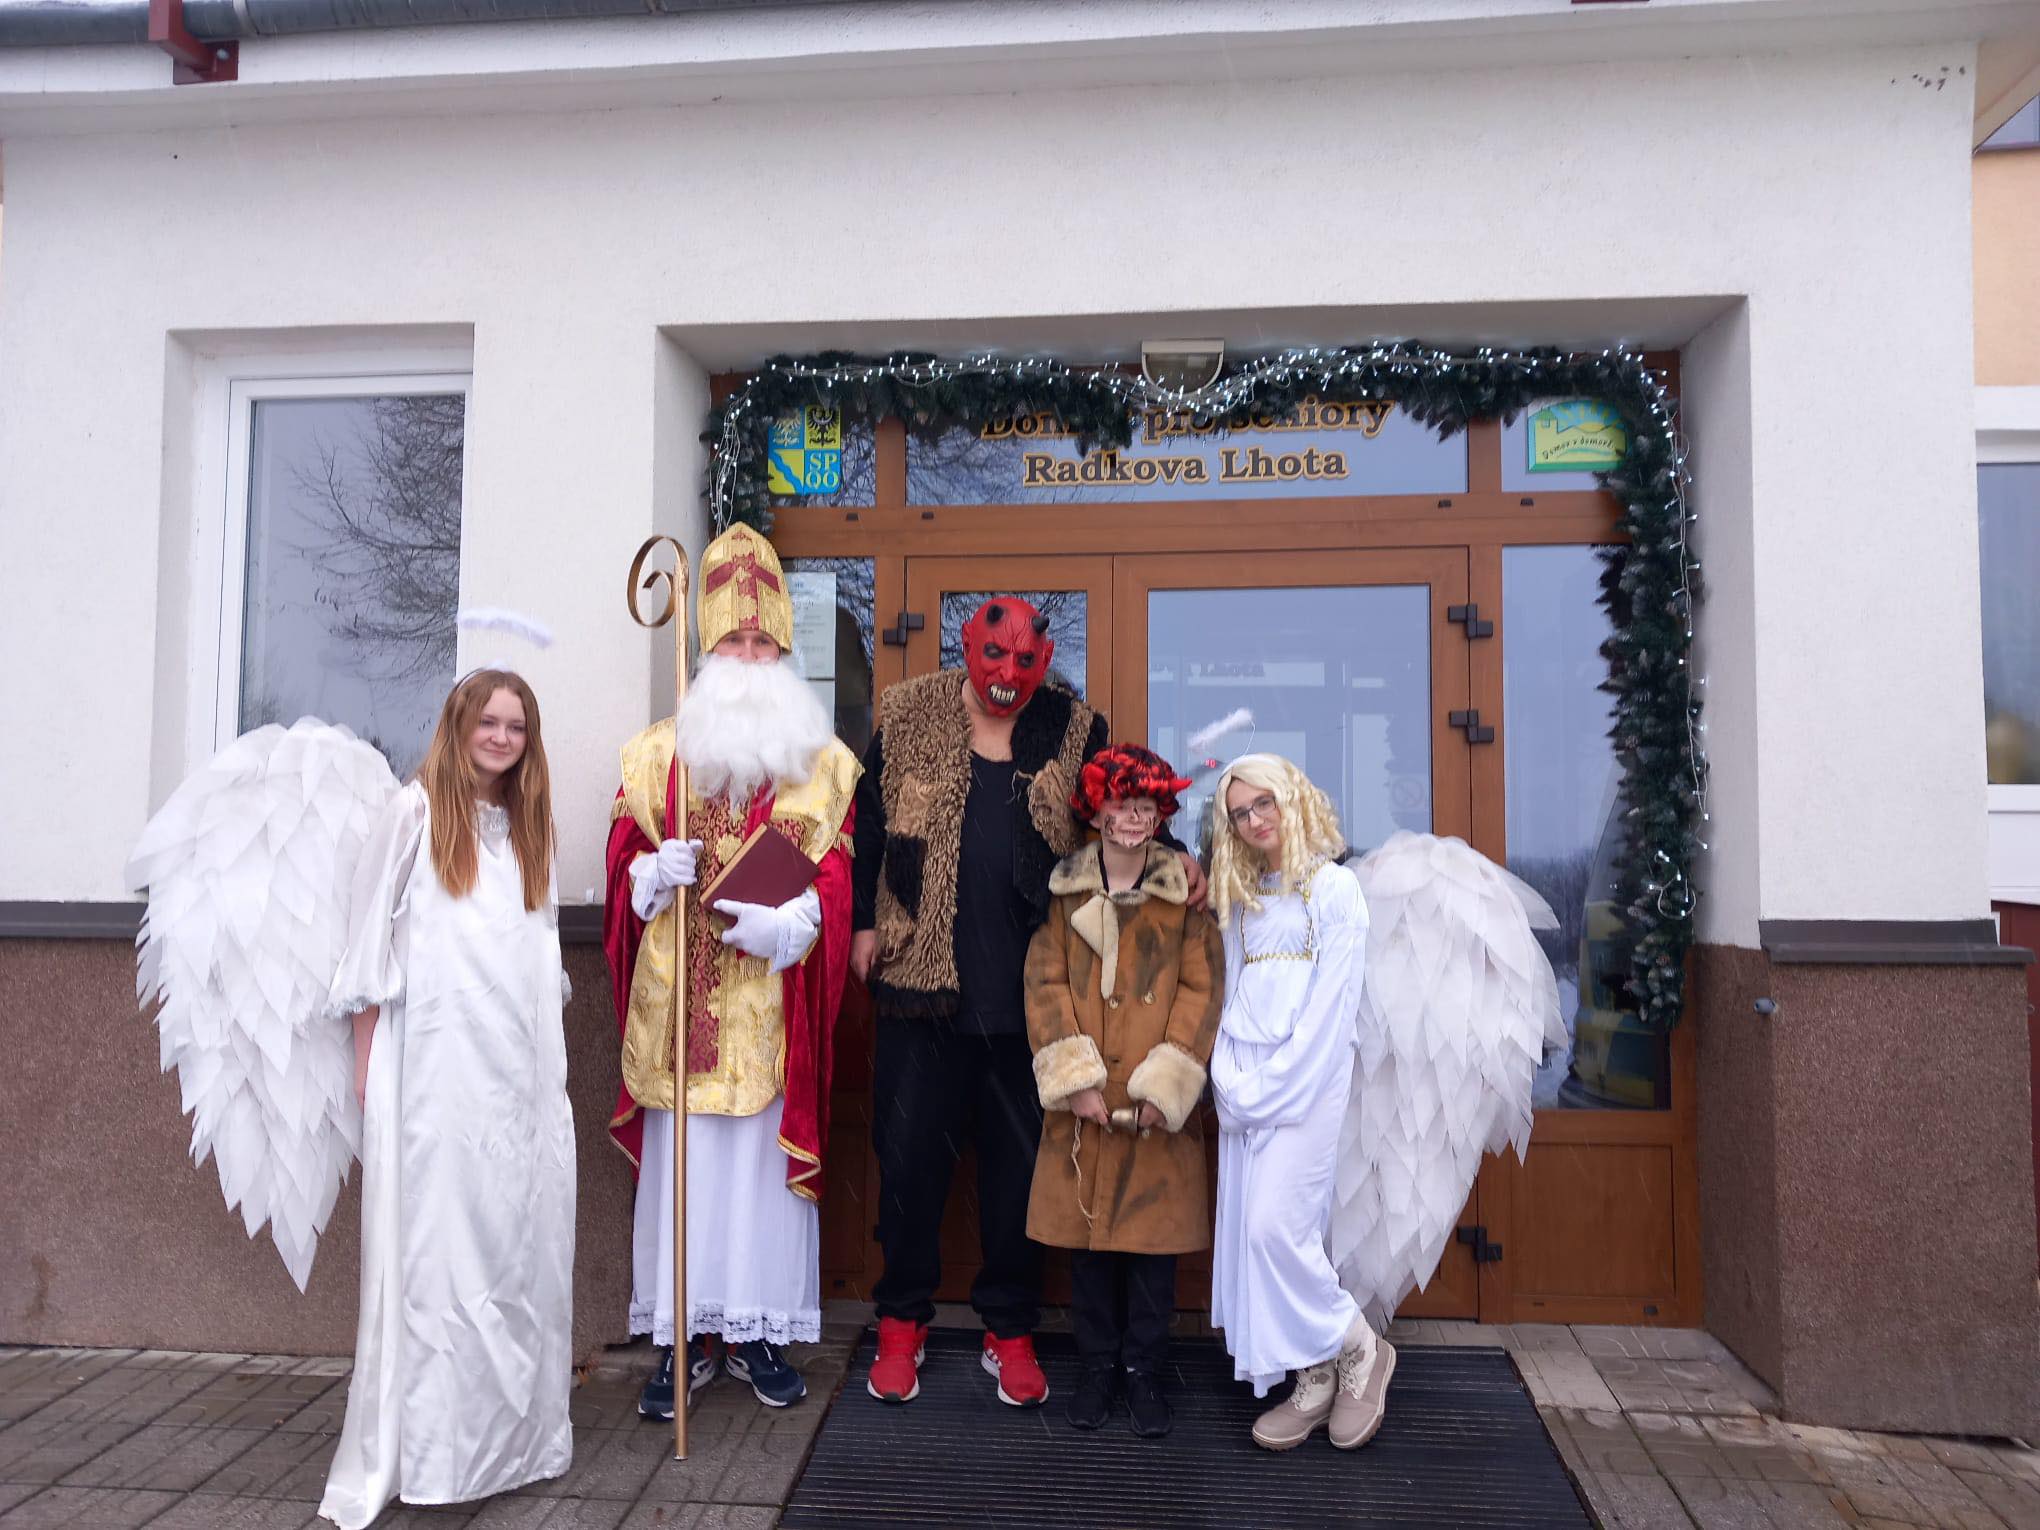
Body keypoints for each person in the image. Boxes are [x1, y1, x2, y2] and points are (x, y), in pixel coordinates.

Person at [603, 523, 858, 1418]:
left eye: (762, 642)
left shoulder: (823, 764)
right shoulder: (653, 758)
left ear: (784, 647)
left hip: (767, 1018)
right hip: (679, 1016)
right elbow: (619, 871)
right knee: (686, 1187)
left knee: (755, 1190)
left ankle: (753, 1337)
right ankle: (680, 1342)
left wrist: (796, 925)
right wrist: (647, 873)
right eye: (733, 641)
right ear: (706, 648)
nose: (748, 657)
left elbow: (837, 877)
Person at [320, 668, 575, 1528]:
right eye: (488, 722)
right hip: (435, 1076)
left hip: (517, 1083)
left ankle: (514, 1443)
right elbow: (366, 950)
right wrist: (367, 1062)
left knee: (514, 1251)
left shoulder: (531, 833)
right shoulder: (415, 815)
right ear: (460, 725)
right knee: (440, 1258)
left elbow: (540, 960)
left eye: (517, 726)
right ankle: (438, 1450)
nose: (502, 738)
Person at [1023, 744, 1223, 1439]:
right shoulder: (1064, 892)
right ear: (1096, 810)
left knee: (1150, 1257)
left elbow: (1201, 989)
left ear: (1161, 813)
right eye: (1120, 804)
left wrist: (1167, 1085)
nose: (1133, 818)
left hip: (1153, 1108)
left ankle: (1143, 1370)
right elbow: (1044, 982)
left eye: (1146, 806)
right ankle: (1097, 1367)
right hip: (1086, 1108)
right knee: (1087, 1251)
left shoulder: (1184, 897)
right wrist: (1074, 1080)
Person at [1205, 753, 1391, 1453]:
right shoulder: (1243, 897)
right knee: (1264, 1238)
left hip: (1306, 1086)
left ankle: (1360, 1345)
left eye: (1264, 803)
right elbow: (1233, 996)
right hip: (1246, 1088)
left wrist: (1269, 1088)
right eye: (1239, 813)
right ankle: (1313, 1376)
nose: (1255, 820)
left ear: (1292, 799)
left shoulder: (1335, 890)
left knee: (1272, 1229)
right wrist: (1230, 1080)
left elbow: (1329, 1016)